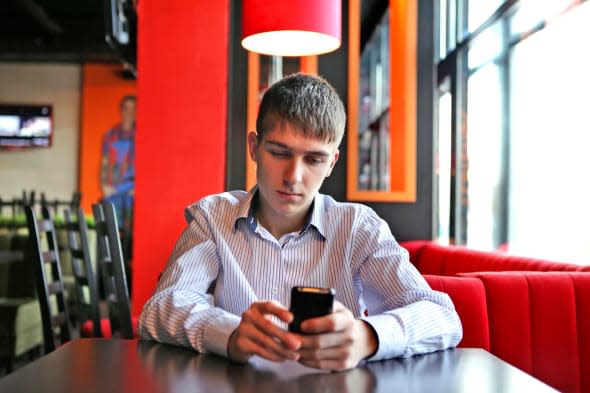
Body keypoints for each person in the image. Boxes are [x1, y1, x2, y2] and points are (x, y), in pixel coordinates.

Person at [138, 74, 462, 370]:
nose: (293, 177)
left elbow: (442, 316)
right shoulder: (213, 217)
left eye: (314, 159)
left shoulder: (359, 228)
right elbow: (161, 307)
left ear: (332, 162)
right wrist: (230, 333)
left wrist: (367, 337)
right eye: (279, 153)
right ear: (254, 147)